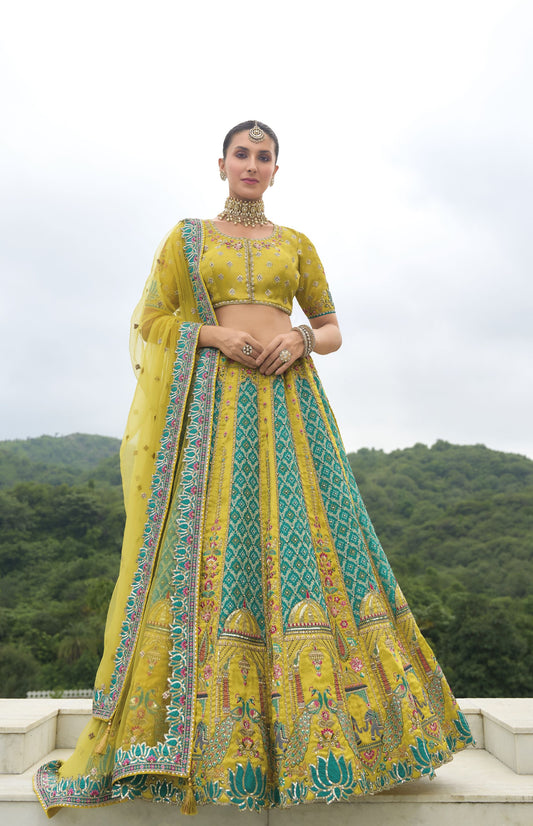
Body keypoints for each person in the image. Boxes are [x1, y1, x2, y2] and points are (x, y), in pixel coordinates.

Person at [34, 120, 473, 817]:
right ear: (221, 164)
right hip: (215, 410)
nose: (252, 164)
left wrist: (299, 338)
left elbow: (331, 328)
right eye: (242, 153)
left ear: (274, 170)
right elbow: (151, 320)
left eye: (263, 156)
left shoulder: (295, 244)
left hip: (292, 408)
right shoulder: (187, 239)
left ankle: (340, 736)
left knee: (313, 543)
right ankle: (199, 740)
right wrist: (213, 334)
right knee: (215, 547)